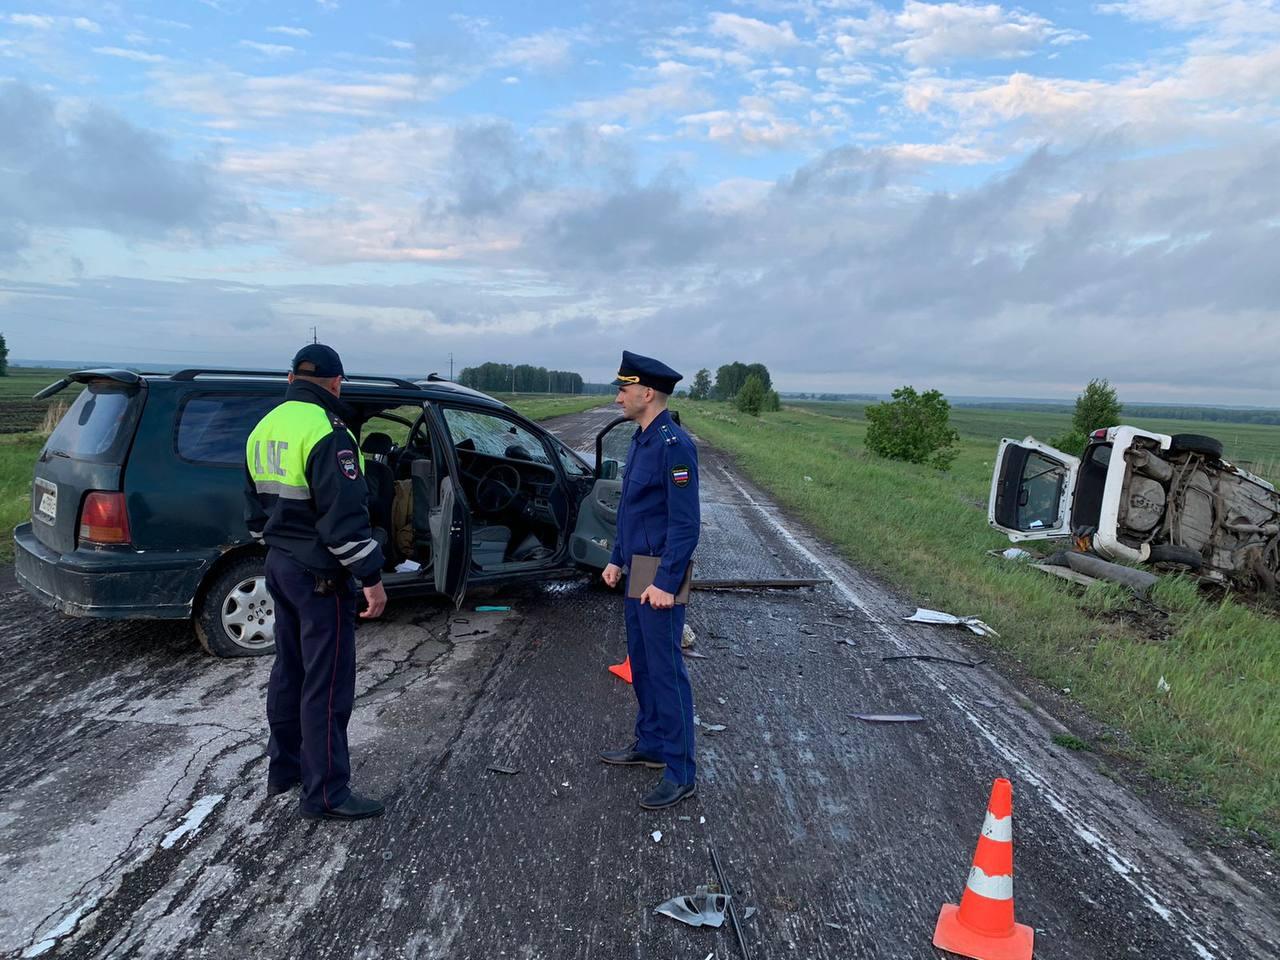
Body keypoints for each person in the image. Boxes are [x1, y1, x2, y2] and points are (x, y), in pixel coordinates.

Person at [244, 344, 388, 821]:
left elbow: (254, 509)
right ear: (335, 382)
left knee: (290, 672)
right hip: (320, 574)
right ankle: (325, 793)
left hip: (280, 565)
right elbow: (343, 520)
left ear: (291, 378)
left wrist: (279, 545)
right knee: (326, 686)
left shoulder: (264, 427)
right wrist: (371, 578)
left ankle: (284, 770)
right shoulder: (329, 432)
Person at [599, 350, 700, 810]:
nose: (618, 396)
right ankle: (652, 744)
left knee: (665, 671)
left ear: (647, 392)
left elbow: (685, 524)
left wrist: (666, 580)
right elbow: (631, 511)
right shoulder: (639, 439)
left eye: (624, 388)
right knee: (641, 660)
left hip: (661, 573)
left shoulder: (673, 445)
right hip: (637, 567)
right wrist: (617, 559)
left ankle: (681, 771)